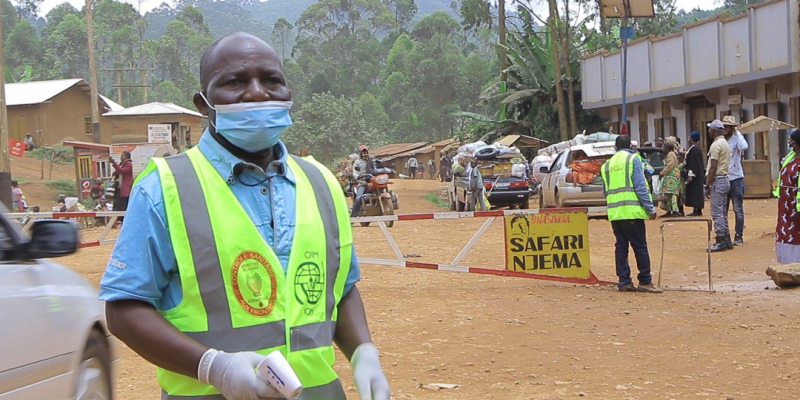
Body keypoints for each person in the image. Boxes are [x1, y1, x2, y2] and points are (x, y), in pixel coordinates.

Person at [99, 32, 389, 400]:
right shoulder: (163, 188)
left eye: (272, 80)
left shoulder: (321, 182)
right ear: (204, 104)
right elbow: (125, 309)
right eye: (235, 82)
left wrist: (363, 353)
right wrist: (213, 367)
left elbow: (341, 289)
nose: (257, 93)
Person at [600, 135, 662, 293]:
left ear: (616, 147)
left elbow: (605, 191)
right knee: (640, 246)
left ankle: (624, 281)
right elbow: (640, 186)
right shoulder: (633, 159)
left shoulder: (607, 165)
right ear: (630, 146)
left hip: (615, 213)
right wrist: (650, 209)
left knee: (621, 246)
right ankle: (645, 281)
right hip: (632, 212)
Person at [705, 119, 733, 252]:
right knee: (722, 212)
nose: (709, 131)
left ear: (714, 131)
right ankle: (727, 239)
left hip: (718, 180)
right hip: (725, 179)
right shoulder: (725, 143)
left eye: (710, 129)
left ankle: (720, 240)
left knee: (716, 212)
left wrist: (707, 185)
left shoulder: (716, 145)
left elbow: (713, 167)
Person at [774, 129, 800, 263]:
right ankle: (788, 266)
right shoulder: (791, 157)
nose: (788, 141)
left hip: (797, 209)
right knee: (786, 234)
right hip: (786, 207)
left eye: (790, 139)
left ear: (795, 143)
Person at [723, 115, 748, 246]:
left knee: (737, 209)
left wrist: (738, 132)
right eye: (724, 126)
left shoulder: (736, 140)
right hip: (724, 178)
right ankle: (725, 236)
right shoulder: (721, 141)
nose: (725, 129)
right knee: (723, 209)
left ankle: (739, 236)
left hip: (736, 178)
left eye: (727, 126)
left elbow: (744, 147)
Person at [351, 145, 379, 219]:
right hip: (363, 182)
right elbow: (355, 171)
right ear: (360, 153)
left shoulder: (372, 159)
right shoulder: (358, 161)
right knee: (358, 198)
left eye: (365, 151)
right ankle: (353, 217)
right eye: (362, 152)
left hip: (374, 181)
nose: (364, 153)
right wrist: (358, 176)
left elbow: (378, 167)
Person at [683, 131, 706, 216]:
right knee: (695, 191)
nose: (688, 139)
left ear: (692, 139)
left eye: (689, 138)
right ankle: (696, 208)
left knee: (696, 191)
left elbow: (693, 163)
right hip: (696, 173)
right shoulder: (694, 148)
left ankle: (697, 209)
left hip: (695, 174)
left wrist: (691, 174)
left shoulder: (694, 149)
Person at [109, 151, 133, 224]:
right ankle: (117, 220)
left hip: (125, 189)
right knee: (117, 204)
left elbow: (122, 171)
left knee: (123, 204)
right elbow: (118, 171)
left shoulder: (128, 164)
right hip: (120, 187)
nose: (121, 157)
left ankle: (123, 220)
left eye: (122, 156)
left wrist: (114, 163)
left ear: (126, 157)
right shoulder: (122, 164)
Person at [659, 141, 682, 217]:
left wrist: (662, 173)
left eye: (664, 147)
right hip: (671, 176)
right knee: (669, 194)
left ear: (667, 148)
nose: (663, 149)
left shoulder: (671, 154)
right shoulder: (671, 154)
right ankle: (669, 210)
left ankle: (674, 210)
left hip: (672, 176)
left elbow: (670, 166)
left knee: (673, 194)